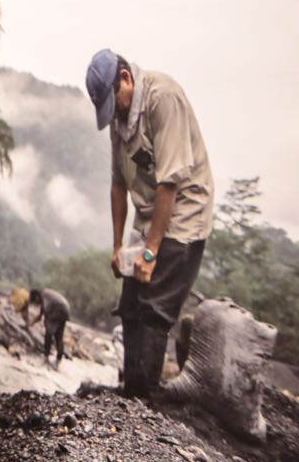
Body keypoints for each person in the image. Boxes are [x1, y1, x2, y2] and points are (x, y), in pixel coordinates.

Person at [85, 47, 215, 398]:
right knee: (130, 303)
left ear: (125, 79)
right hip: (148, 212)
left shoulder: (163, 98)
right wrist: (118, 246)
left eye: (117, 104)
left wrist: (151, 251)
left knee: (155, 307)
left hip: (183, 213)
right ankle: (131, 389)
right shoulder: (118, 120)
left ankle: (144, 400)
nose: (116, 116)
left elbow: (170, 183)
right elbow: (117, 184)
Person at [24, 288, 71, 367]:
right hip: (65, 309)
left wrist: (31, 324)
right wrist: (30, 324)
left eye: (35, 302)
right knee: (59, 336)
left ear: (36, 296)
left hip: (58, 309)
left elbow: (44, 313)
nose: (37, 303)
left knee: (48, 334)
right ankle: (58, 359)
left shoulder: (44, 295)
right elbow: (40, 316)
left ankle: (46, 357)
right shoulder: (46, 296)